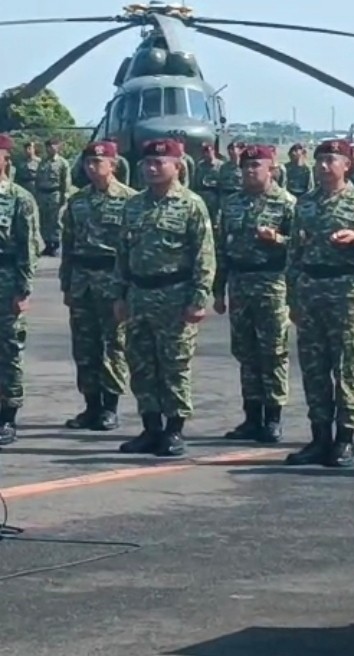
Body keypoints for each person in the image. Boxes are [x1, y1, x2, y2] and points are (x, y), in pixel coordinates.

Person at [284, 139, 354, 467]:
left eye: (331, 159)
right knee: (314, 369)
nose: (323, 166)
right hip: (310, 290)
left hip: (345, 292)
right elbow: (293, 254)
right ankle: (320, 437)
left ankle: (344, 438)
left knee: (346, 367)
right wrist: (293, 299)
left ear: (347, 164)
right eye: (320, 160)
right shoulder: (304, 204)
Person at [113, 139, 216, 457]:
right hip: (140, 294)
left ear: (178, 166)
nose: (152, 168)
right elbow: (122, 253)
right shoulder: (134, 205)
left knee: (174, 366)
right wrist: (119, 294)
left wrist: (199, 298)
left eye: (160, 162)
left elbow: (205, 255)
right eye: (148, 163)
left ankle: (174, 430)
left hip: (174, 295)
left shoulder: (191, 204)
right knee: (141, 365)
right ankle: (150, 427)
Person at [213, 145, 295, 443]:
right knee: (246, 353)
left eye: (256, 166)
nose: (249, 171)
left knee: (273, 352)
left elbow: (302, 246)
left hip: (272, 283)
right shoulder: (232, 204)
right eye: (246, 166)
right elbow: (221, 250)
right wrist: (218, 290)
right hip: (239, 282)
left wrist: (278, 239)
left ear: (271, 169)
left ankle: (273, 418)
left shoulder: (286, 203)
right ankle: (252, 416)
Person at [60, 140, 137, 431]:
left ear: (113, 165)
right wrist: (67, 283)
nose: (93, 168)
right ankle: (91, 406)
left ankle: (110, 407)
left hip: (112, 279)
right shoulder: (77, 201)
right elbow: (68, 245)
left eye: (99, 163)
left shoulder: (130, 200)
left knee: (113, 346)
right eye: (89, 163)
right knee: (84, 346)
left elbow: (132, 249)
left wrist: (127, 289)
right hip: (82, 280)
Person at [0, 135, 39, 446]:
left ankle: (7, 417)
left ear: (5, 159)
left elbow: (28, 249)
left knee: (9, 351)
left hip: (6, 281)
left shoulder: (19, 198)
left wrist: (23, 290)